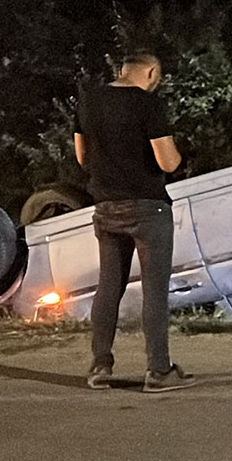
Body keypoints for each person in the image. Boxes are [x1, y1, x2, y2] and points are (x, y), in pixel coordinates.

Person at [74, 53, 197, 393]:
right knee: (154, 291)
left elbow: (81, 156)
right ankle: (158, 370)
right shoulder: (147, 104)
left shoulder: (89, 101)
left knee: (108, 286)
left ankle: (100, 366)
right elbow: (168, 161)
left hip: (106, 206)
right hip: (147, 207)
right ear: (151, 72)